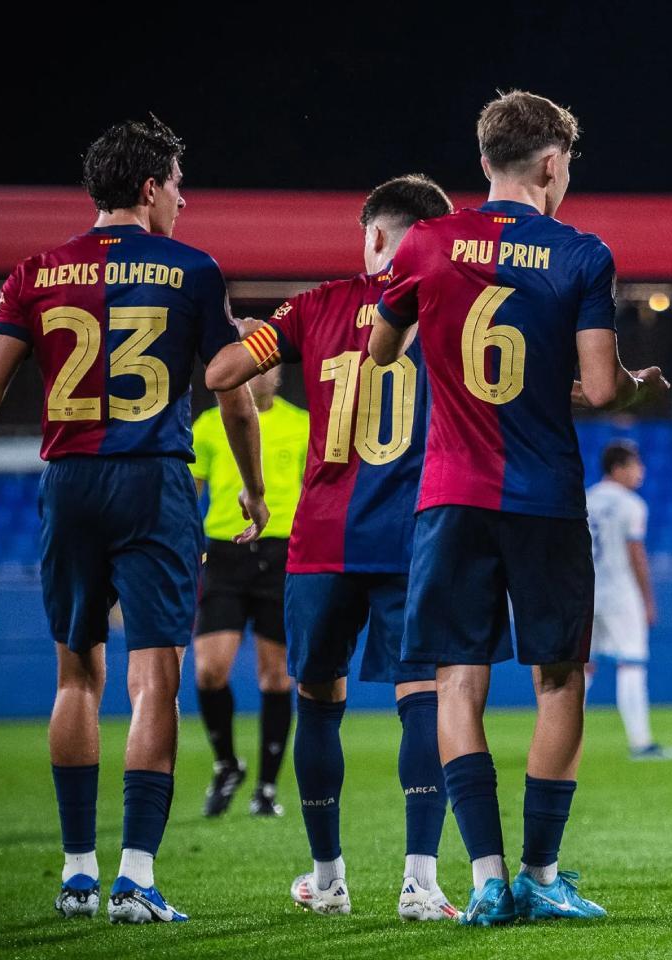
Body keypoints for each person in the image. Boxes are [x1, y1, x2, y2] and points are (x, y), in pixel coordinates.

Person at [0, 115, 268, 924]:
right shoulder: (193, 271)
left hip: (67, 482)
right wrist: (252, 488)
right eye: (177, 183)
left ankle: (76, 873)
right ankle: (135, 876)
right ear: (148, 188)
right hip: (154, 482)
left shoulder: (34, 271)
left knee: (75, 674)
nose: (183, 197)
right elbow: (231, 394)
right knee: (155, 679)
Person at [368, 90, 669, 926]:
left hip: (450, 496)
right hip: (541, 496)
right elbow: (603, 389)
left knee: (457, 681)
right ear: (548, 163)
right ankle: (541, 870)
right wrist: (635, 392)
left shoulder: (426, 243)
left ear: (484, 161)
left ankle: (488, 877)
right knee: (559, 677)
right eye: (566, 165)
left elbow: (383, 348)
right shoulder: (581, 254)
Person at [204, 174, 462, 921]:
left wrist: (252, 477)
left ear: (374, 236)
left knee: (318, 703)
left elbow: (223, 374)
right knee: (423, 700)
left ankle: (328, 880)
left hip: (319, 541)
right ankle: (421, 883)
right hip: (416, 535)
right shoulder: (451, 307)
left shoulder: (312, 306)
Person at [189, 364, 308, 818]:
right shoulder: (209, 424)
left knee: (276, 675)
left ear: (278, 374)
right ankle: (227, 764)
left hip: (283, 554)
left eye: (267, 364)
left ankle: (267, 789)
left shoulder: (301, 425)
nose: (258, 372)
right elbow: (191, 491)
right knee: (209, 671)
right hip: (223, 555)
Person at [584, 440, 672, 760]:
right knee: (632, 665)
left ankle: (564, 742)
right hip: (621, 594)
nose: (641, 471)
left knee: (582, 668)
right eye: (635, 465)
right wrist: (648, 599)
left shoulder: (584, 500)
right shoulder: (631, 504)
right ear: (618, 468)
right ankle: (641, 743)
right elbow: (636, 554)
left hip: (586, 595)